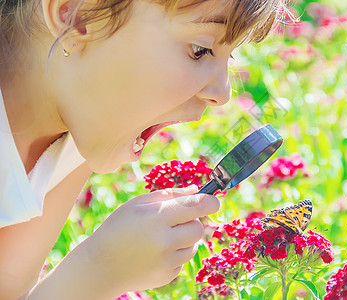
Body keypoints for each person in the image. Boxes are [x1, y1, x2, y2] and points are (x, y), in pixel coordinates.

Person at [0, 0, 286, 298]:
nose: (224, 93)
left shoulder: (81, 133)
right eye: (199, 49)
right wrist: (100, 270)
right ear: (76, 16)